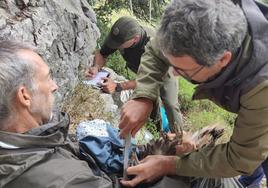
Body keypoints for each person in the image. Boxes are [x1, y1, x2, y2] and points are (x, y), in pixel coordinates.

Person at [118, 0, 268, 187]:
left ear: (222, 60)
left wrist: (170, 164)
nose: (172, 74)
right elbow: (157, 50)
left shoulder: (262, 86)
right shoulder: (197, 17)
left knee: (256, 155)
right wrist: (143, 95)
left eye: (183, 71)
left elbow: (240, 157)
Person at [0, 40, 113, 188]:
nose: (55, 86)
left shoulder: (25, 143)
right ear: (25, 96)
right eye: (47, 78)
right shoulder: (68, 181)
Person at [85, 16, 182, 132]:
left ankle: (179, 138)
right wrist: (96, 67)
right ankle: (157, 127)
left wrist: (117, 86)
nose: (116, 46)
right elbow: (102, 53)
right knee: (150, 102)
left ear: (135, 39)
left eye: (120, 44)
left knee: (170, 104)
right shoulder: (121, 34)